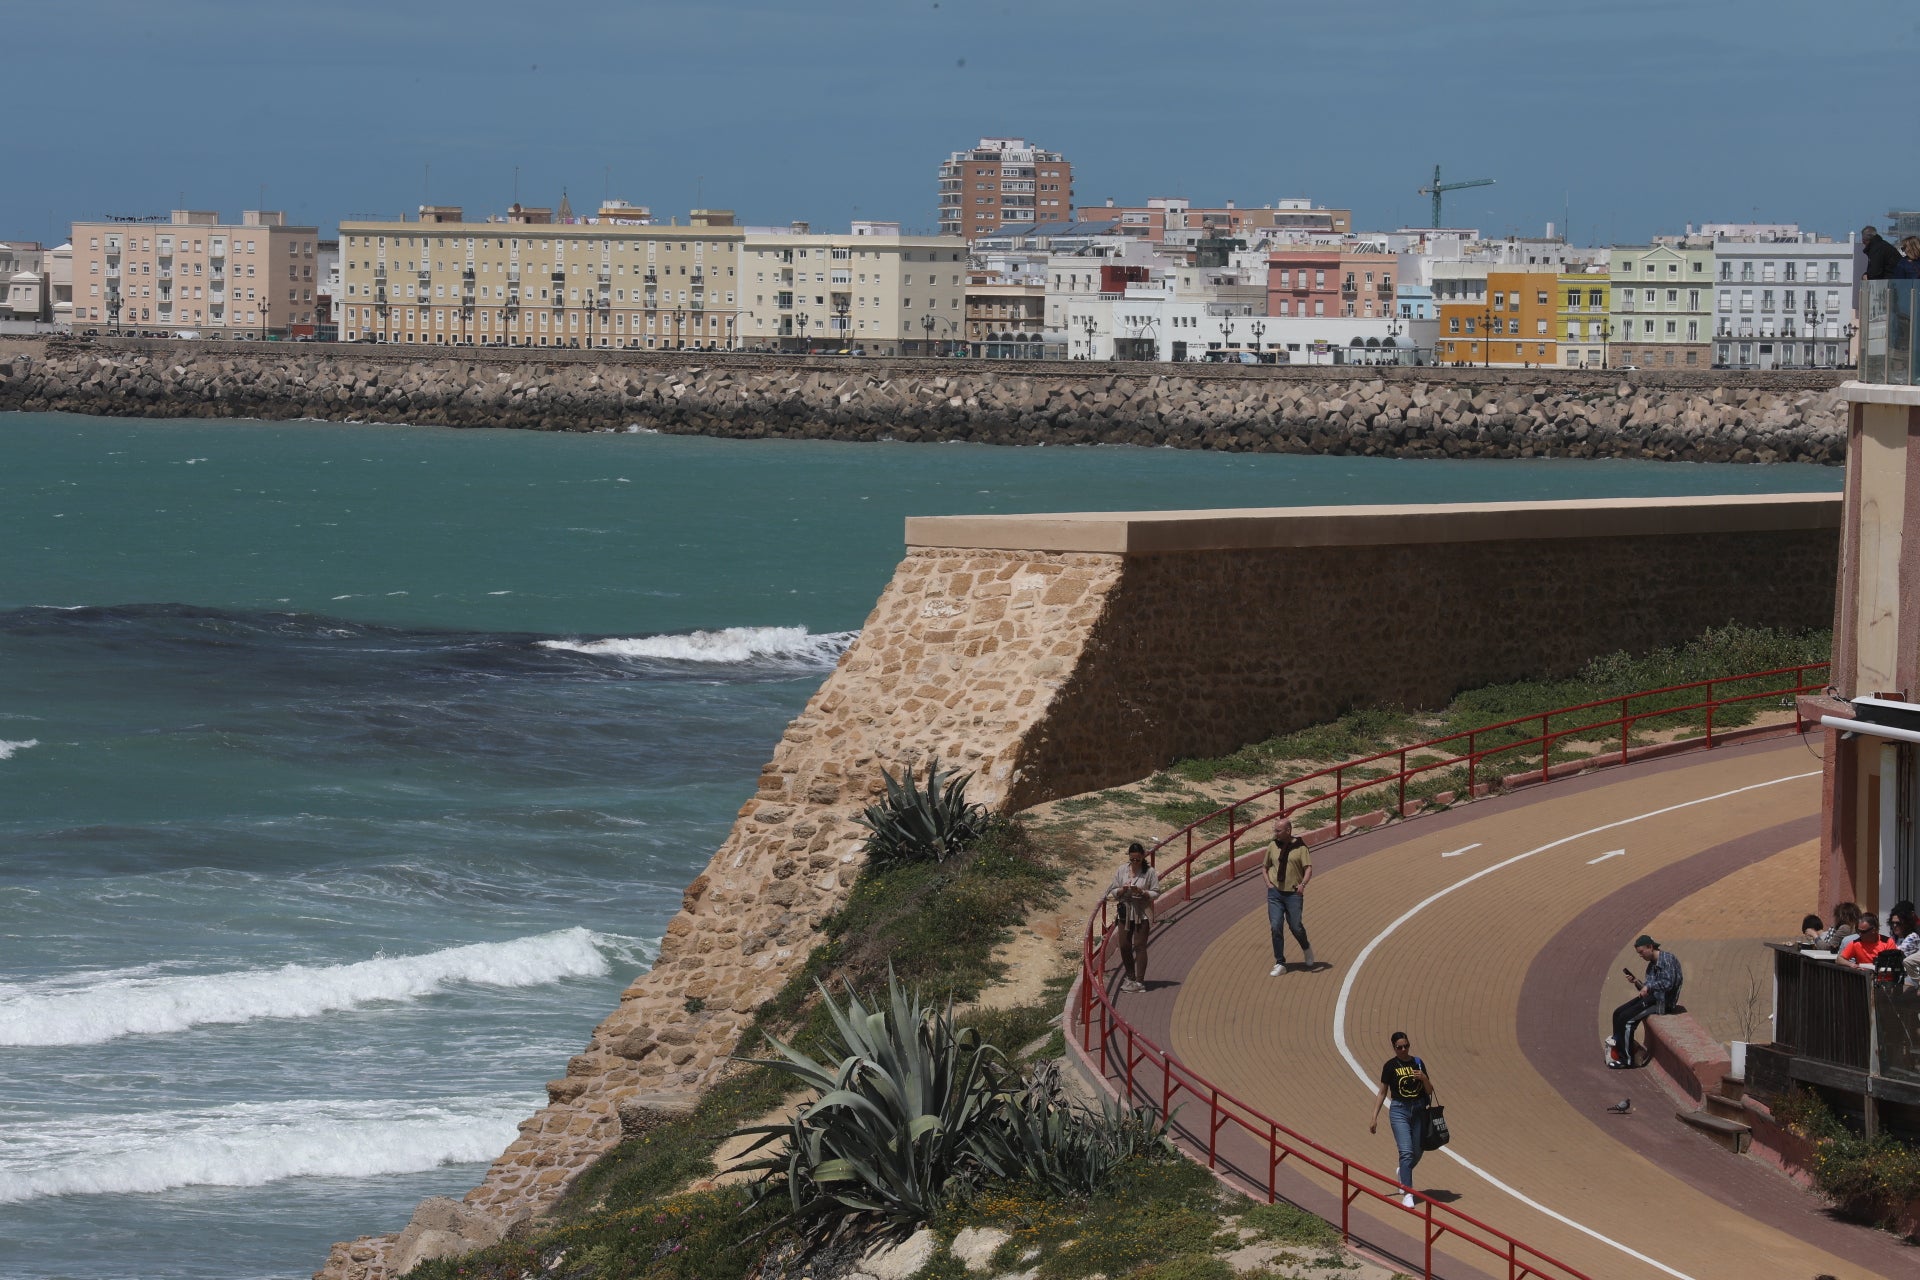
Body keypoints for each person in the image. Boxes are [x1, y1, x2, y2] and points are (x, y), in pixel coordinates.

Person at [1368, 1031, 1437, 1208]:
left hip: (1419, 1110)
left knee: (1418, 1150)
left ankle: (1403, 1170)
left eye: (1406, 1046)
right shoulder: (1390, 1066)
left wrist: (1424, 1078)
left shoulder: (1418, 1063)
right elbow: (1383, 1092)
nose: (1403, 1050)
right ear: (1394, 1048)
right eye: (1399, 1047)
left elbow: (1429, 1091)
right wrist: (1374, 1117)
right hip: (1400, 1110)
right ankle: (1408, 1192)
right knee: (1406, 1152)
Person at [1607, 934, 1682, 1068]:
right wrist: (1636, 982)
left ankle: (1627, 1060)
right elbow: (1646, 988)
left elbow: (1668, 983)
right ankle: (1619, 1049)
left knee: (1627, 1020)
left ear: (1650, 947)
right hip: (1651, 998)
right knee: (1618, 1013)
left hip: (1662, 1003)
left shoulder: (1667, 960)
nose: (1640, 956)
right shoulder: (1651, 965)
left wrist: (1649, 986)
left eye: (1641, 952)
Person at [1262, 818, 1314, 976]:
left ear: (1288, 831)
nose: (1275, 833)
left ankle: (1306, 948)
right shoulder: (1272, 845)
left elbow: (1308, 869)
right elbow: (1265, 867)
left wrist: (1303, 885)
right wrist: (1268, 883)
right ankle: (1280, 962)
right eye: (1275, 830)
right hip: (1275, 893)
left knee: (1296, 926)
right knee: (1276, 926)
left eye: (1278, 830)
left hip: (1293, 894)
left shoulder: (1301, 848)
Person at [1106, 841, 1159, 993]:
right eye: (1132, 859)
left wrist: (1143, 893)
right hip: (1125, 911)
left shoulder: (1150, 872)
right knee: (1124, 944)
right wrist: (1122, 891)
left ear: (1143, 856)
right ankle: (1130, 976)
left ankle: (1140, 981)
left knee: (1140, 945)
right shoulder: (1122, 870)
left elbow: (1156, 891)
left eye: (1138, 859)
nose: (1135, 862)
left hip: (1141, 912)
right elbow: (1114, 889)